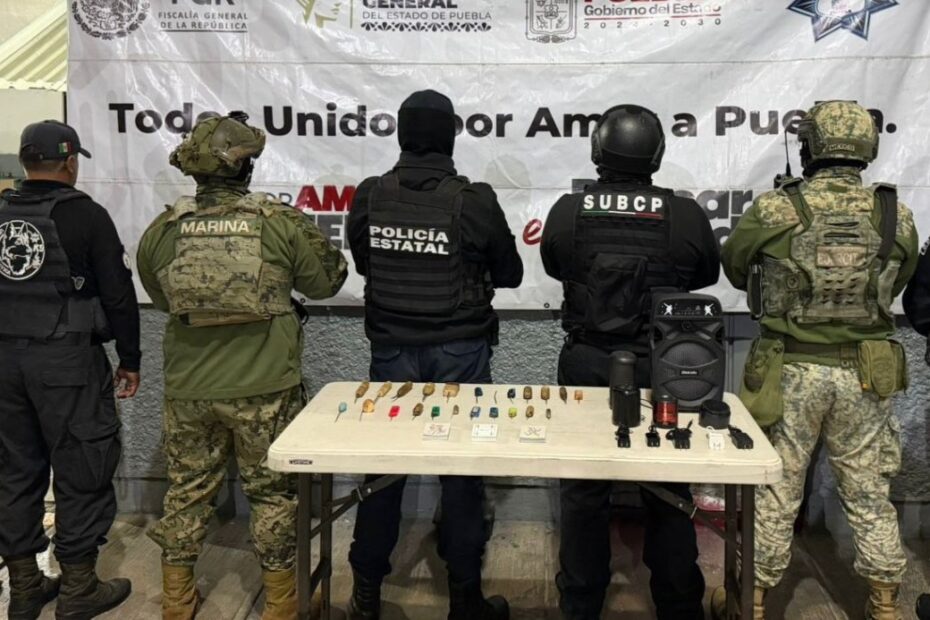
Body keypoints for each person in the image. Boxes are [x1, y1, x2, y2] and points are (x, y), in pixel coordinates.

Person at [137, 112, 348, 620]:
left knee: (186, 493)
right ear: (246, 167)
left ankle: (177, 603)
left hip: (190, 389)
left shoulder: (163, 230)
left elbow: (163, 299)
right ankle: (282, 604)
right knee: (273, 494)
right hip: (265, 388)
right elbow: (327, 281)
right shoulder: (278, 223)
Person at [720, 100, 916, 619]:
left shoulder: (775, 208)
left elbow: (736, 266)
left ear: (809, 146)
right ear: (867, 147)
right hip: (865, 374)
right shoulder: (894, 213)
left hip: (790, 369)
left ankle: (753, 600)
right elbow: (902, 278)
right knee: (869, 491)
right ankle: (885, 603)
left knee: (774, 488)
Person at [345, 89, 523, 620]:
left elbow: (365, 264)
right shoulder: (474, 200)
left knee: (382, 473)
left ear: (402, 135)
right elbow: (511, 273)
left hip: (391, 355)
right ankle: (465, 599)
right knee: (461, 474)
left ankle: (366, 596)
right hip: (459, 353)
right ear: (449, 138)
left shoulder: (370, 195)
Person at [540, 104, 719, 620]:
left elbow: (555, 263)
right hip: (664, 367)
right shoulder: (684, 214)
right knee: (668, 487)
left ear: (597, 150)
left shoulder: (570, 210)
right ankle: (679, 606)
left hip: (589, 363)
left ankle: (580, 604)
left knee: (583, 488)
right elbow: (705, 274)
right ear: (656, 156)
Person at [0, 120, 140, 619]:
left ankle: (24, 588)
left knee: (13, 471)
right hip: (66, 362)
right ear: (70, 161)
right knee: (84, 466)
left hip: (4, 364)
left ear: (24, 161)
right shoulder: (86, 215)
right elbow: (118, 294)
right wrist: (130, 359)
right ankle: (79, 589)